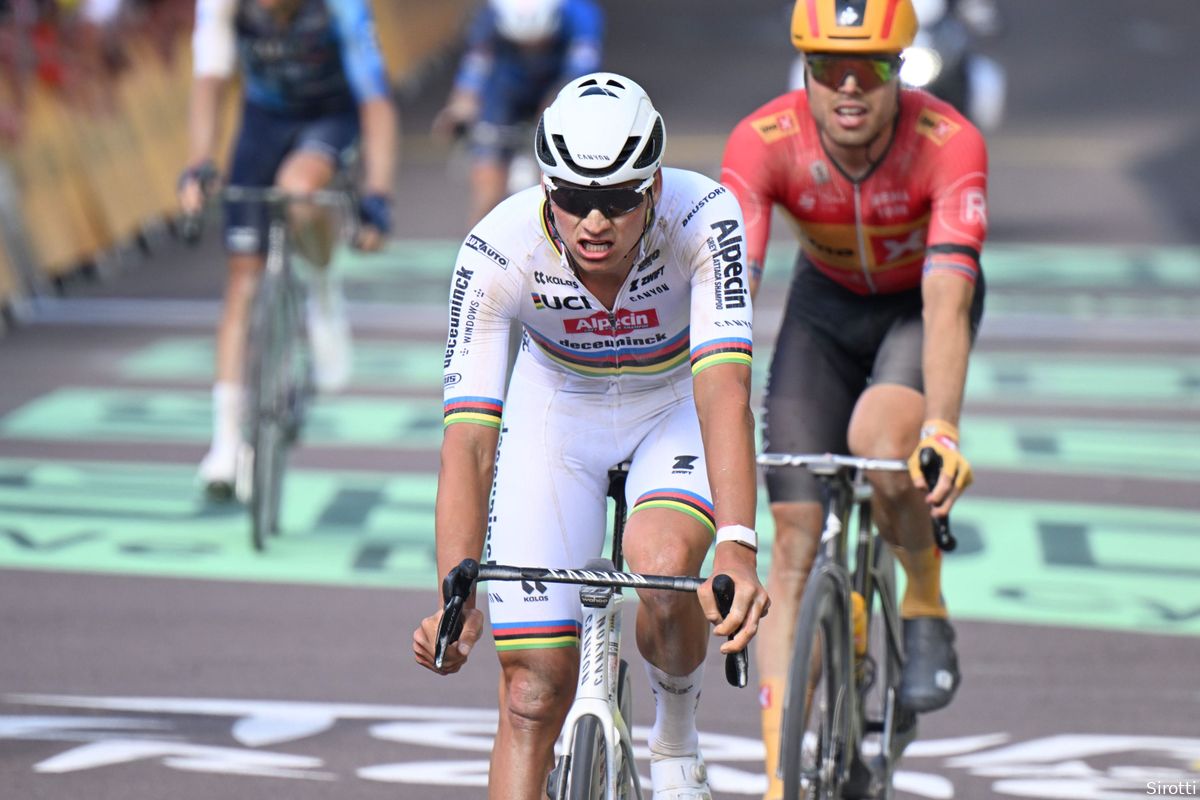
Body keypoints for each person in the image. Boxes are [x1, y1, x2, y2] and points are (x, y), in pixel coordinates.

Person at [412, 72, 770, 800]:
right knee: (529, 694)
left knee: (664, 562)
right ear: (547, 188)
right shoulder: (496, 248)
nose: (594, 221)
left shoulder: (706, 216)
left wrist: (737, 539)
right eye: (572, 198)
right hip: (558, 409)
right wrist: (457, 590)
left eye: (618, 200)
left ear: (656, 186)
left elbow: (724, 389)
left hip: (672, 398)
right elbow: (470, 439)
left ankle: (675, 740)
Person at [719, 1, 987, 796]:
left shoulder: (950, 142)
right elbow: (732, 295)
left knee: (881, 440)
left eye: (867, 69)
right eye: (825, 67)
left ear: (901, 69)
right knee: (793, 535)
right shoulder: (762, 141)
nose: (846, 87)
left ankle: (926, 603)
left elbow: (946, 301)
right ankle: (777, 779)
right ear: (801, 68)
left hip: (915, 309)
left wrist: (941, 426)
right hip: (824, 309)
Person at [177, 0, 398, 498]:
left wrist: (378, 194)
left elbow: (376, 101)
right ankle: (225, 442)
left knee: (298, 189)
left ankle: (322, 289)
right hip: (264, 120)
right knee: (242, 283)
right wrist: (198, 163)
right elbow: (211, 80)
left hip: (331, 116)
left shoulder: (343, 9)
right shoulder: (224, 7)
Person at [431, 0, 603, 228]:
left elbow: (580, 74)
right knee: (487, 174)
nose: (531, 50)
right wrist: (460, 108)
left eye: (541, 43)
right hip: (505, 90)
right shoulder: (491, 14)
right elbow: (475, 65)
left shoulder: (580, 14)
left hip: (557, 84)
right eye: (521, 44)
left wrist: (555, 114)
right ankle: (480, 236)